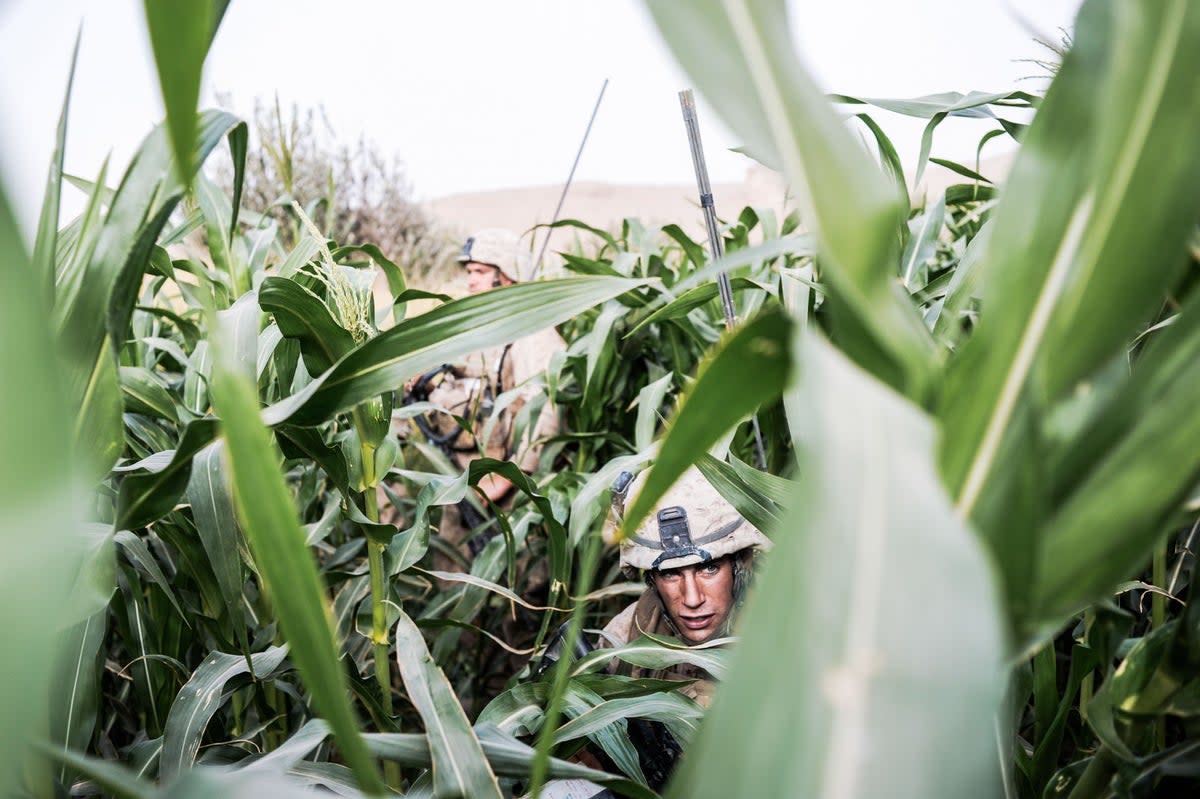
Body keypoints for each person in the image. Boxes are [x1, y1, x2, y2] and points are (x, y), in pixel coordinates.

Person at [418, 228, 566, 564]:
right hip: (462, 478)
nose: (471, 282)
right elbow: (466, 376)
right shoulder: (484, 328)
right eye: (469, 273)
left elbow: (544, 414)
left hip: (508, 492)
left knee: (514, 583)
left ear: (507, 276)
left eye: (481, 273)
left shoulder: (534, 334)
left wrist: (506, 479)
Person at [600, 465, 772, 708]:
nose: (692, 599)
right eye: (670, 573)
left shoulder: (786, 635)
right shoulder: (627, 634)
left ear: (741, 564)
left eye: (709, 568)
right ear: (652, 579)